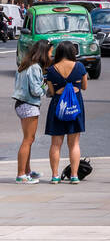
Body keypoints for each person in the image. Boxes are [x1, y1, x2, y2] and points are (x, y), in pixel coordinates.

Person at [44, 40, 88, 184]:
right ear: (72, 52)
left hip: (58, 106)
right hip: (75, 106)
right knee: (74, 144)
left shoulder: (51, 69)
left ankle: (55, 176)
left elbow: (51, 91)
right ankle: (74, 175)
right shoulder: (79, 66)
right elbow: (84, 86)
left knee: (55, 144)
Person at [13, 40, 52, 183]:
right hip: (29, 105)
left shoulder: (24, 65)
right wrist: (45, 85)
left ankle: (27, 171)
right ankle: (21, 174)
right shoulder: (35, 68)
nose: (51, 55)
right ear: (43, 53)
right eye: (50, 52)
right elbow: (36, 91)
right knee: (28, 140)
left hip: (21, 104)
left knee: (28, 140)